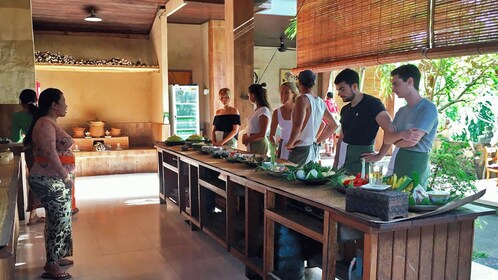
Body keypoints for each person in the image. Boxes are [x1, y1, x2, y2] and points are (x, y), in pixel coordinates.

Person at [24, 88, 75, 280]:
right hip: (48, 179)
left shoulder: (49, 122)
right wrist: (64, 176)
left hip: (53, 179)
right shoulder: (45, 123)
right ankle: (51, 264)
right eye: (63, 101)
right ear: (54, 105)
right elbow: (49, 152)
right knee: (58, 220)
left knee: (60, 218)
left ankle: (57, 256)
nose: (66, 105)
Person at [384, 64, 438, 188]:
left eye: (396, 84)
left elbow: (411, 142)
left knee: (413, 202)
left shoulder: (428, 108)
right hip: (399, 161)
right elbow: (387, 139)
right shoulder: (401, 111)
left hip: (417, 164)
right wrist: (403, 134)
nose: (393, 89)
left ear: (410, 81)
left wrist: (395, 140)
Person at [333, 68, 392, 175]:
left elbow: (390, 129)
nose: (339, 94)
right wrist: (335, 163)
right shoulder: (345, 110)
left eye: (342, 89)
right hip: (344, 160)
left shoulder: (373, 104)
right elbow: (341, 138)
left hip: (363, 160)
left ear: (354, 86)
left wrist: (379, 155)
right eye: (338, 90)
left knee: (360, 190)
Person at [286, 70, 338, 165]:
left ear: (299, 82)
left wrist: (290, 144)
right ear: (314, 83)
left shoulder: (302, 99)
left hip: (300, 147)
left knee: (293, 177)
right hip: (311, 147)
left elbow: (298, 125)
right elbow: (333, 125)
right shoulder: (320, 102)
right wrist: (317, 141)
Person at [11, 89, 46, 226]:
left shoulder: (17, 116)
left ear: (20, 102)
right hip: (46, 151)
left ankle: (33, 215)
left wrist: (23, 136)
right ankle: (51, 211)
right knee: (48, 179)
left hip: (32, 152)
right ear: (36, 100)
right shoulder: (42, 113)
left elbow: (14, 138)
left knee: (34, 180)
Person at [269, 82, 298, 160]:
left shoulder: (300, 110)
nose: (283, 95)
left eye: (286, 92)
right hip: (283, 146)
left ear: (293, 94)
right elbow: (272, 135)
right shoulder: (277, 112)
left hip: (297, 145)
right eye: (281, 92)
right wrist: (275, 146)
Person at [242, 83, 271, 156]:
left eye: (249, 96)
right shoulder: (257, 110)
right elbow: (254, 128)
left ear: (253, 95)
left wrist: (248, 139)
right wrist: (246, 135)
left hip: (259, 143)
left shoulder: (263, 110)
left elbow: (262, 134)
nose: (249, 98)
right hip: (252, 142)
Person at [324, 91, 339, 156]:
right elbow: (337, 113)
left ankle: (327, 150)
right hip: (334, 122)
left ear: (327, 96)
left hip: (326, 122)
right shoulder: (334, 103)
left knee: (326, 135)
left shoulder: (325, 102)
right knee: (332, 136)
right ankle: (332, 150)